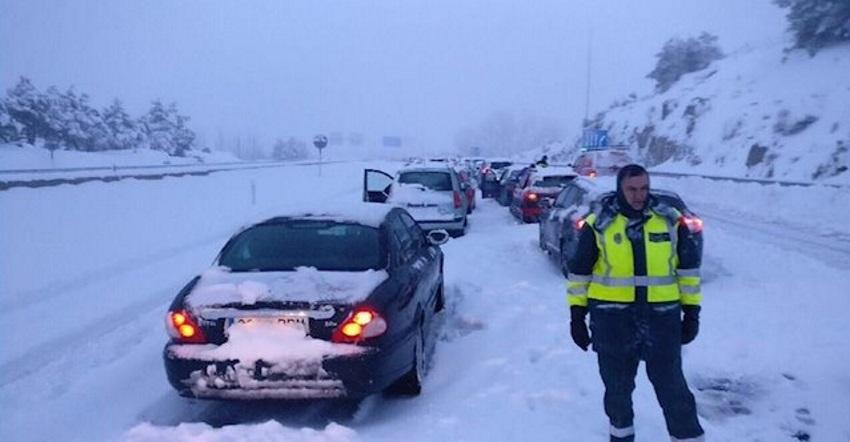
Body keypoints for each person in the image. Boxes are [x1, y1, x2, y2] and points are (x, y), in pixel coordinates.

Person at [566, 164, 704, 442]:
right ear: (620, 189)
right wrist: (577, 317)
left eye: (643, 188)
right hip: (612, 322)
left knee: (674, 391)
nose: (639, 195)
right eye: (632, 189)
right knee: (617, 395)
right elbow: (580, 273)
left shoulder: (669, 221)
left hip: (661, 320)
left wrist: (692, 313)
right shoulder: (599, 224)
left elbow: (688, 272)